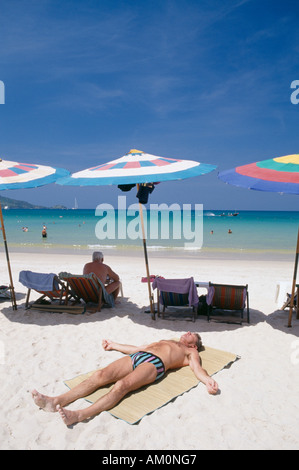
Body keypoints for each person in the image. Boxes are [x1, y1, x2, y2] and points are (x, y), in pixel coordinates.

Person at [31, 332, 219, 426]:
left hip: (154, 364)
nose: (187, 333)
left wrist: (207, 380)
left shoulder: (189, 352)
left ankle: (80, 415)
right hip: (139, 356)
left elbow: (197, 369)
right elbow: (137, 348)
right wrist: (114, 345)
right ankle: (56, 401)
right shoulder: (167, 341)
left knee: (122, 385)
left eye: (191, 335)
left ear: (194, 345)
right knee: (100, 376)